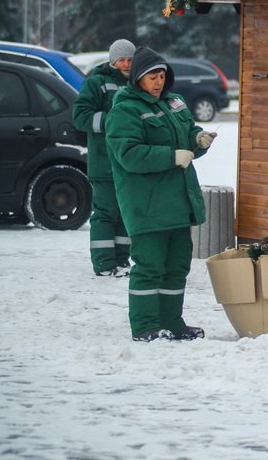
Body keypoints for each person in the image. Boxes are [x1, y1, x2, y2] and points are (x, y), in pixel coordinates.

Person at [106, 47, 216, 342]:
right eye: (152, 76)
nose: (158, 82)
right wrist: (171, 157)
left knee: (177, 265)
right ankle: (145, 326)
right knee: (150, 265)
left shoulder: (173, 102)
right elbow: (128, 154)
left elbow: (187, 132)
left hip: (179, 202)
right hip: (148, 205)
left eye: (162, 76)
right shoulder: (125, 110)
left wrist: (198, 139)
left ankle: (172, 323)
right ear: (138, 78)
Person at [72, 39, 135, 277]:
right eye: (121, 60)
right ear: (112, 61)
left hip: (128, 163)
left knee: (124, 213)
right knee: (106, 214)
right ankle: (105, 264)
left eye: (130, 60)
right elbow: (80, 116)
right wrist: (113, 121)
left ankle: (121, 260)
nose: (126, 64)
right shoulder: (97, 83)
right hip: (104, 162)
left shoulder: (137, 83)